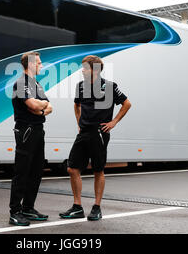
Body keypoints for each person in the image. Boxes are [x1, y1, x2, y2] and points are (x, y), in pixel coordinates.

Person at [59, 55, 131, 221]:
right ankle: (77, 207)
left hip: (99, 133)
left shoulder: (110, 87)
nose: (82, 70)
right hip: (83, 132)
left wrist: (114, 122)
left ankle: (97, 207)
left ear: (95, 70)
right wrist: (79, 123)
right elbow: (76, 105)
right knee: (72, 168)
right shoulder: (81, 86)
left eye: (85, 68)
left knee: (98, 169)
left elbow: (127, 103)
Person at [9, 51, 53, 226]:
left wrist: (39, 109)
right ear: (31, 64)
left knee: (36, 170)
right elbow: (33, 104)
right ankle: (15, 211)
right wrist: (39, 106)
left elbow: (49, 107)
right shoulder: (21, 83)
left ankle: (28, 207)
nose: (41, 65)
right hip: (25, 130)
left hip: (37, 129)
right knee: (22, 171)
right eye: (39, 63)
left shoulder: (36, 84)